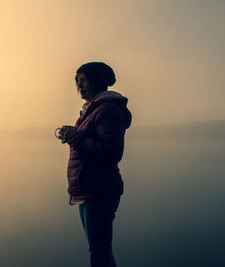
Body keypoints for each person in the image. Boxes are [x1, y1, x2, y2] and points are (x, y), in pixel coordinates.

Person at [57, 62, 132, 267]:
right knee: (98, 250)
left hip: (99, 192)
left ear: (96, 81)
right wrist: (75, 133)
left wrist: (75, 137)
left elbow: (112, 152)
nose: (79, 85)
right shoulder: (92, 110)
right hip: (88, 189)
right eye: (77, 81)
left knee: (99, 252)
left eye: (83, 80)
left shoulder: (107, 109)